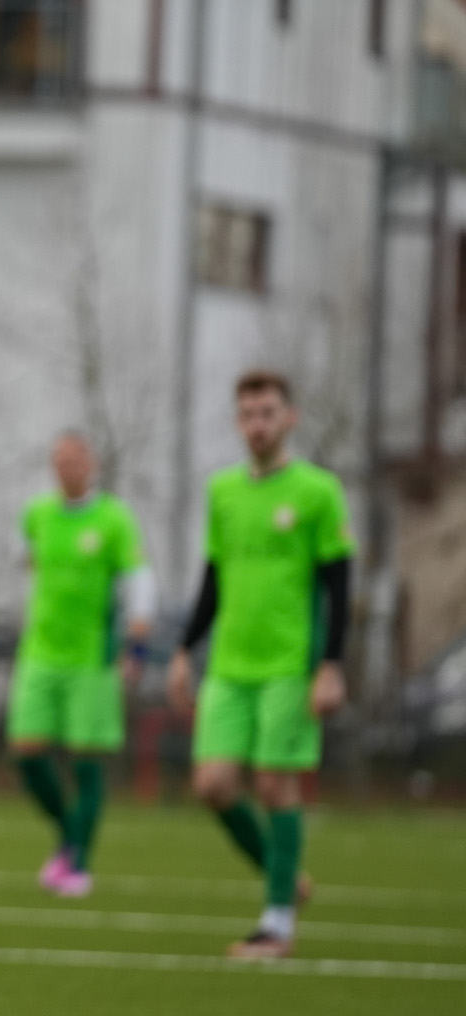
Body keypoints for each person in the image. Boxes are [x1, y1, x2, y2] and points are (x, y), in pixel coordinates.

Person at [167, 370, 352, 959]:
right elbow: (213, 579)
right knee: (213, 785)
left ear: (289, 418)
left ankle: (277, 924)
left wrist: (331, 665)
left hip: (288, 666)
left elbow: (338, 585)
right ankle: (285, 877)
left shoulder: (318, 491)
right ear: (237, 422)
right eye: (248, 414)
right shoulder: (223, 491)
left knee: (275, 784)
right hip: (229, 666)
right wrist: (183, 650)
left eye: (268, 412)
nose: (258, 424)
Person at [6, 431, 154, 897]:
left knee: (87, 763)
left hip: (91, 658)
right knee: (27, 752)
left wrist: (135, 644)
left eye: (74, 459)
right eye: (59, 460)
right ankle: (70, 834)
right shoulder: (37, 515)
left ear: (91, 464)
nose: (66, 467)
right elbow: (27, 564)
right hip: (39, 653)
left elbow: (138, 579)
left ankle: (79, 864)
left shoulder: (113, 518)